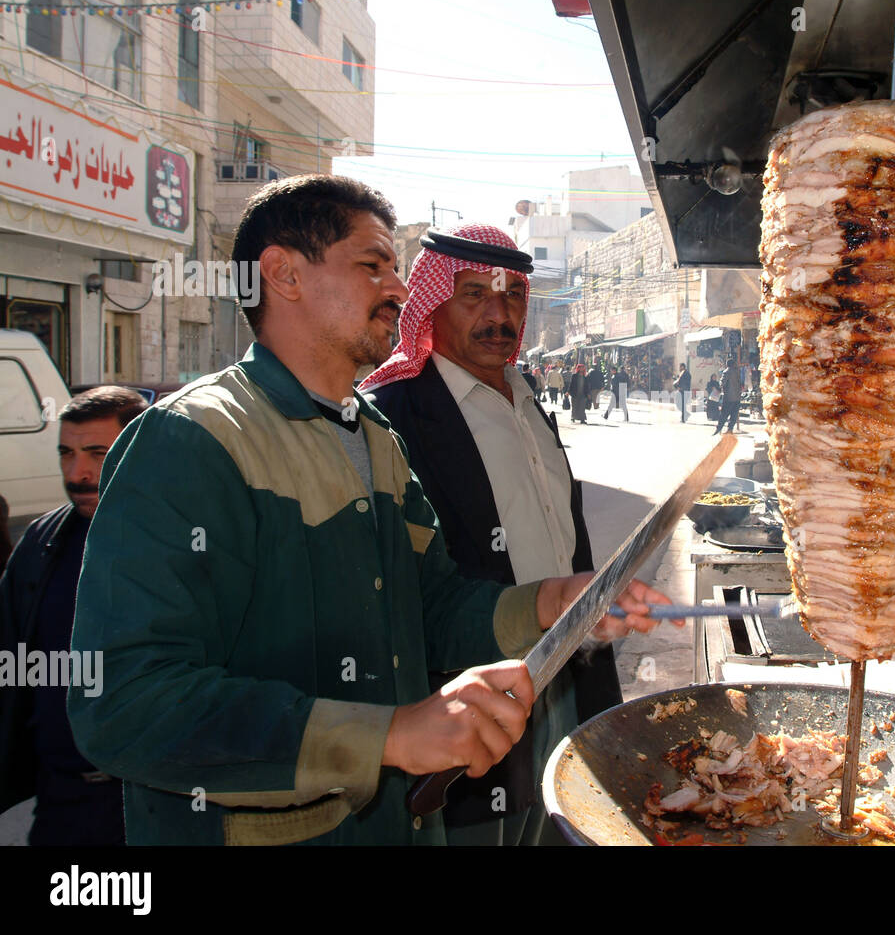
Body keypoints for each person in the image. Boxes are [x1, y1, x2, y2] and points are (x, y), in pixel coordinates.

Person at [63, 175, 666, 845]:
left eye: (399, 270)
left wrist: (555, 601)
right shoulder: (193, 440)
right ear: (284, 274)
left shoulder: (375, 440)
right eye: (373, 265)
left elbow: (431, 608)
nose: (401, 289)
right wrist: (389, 734)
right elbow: (123, 704)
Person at [362, 223, 634, 845]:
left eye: (512, 296)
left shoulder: (527, 394)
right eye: (475, 294)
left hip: (563, 667)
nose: (498, 313)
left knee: (563, 816)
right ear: (433, 303)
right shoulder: (393, 411)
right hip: (471, 689)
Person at [0, 385, 147, 845]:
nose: (77, 473)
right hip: (61, 799)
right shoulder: (43, 543)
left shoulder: (184, 541)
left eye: (96, 454)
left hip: (149, 798)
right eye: (66, 453)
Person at [714, 356, 744, 435]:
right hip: (737, 397)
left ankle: (719, 428)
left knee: (724, 414)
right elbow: (740, 384)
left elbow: (722, 383)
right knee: (734, 415)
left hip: (728, 397)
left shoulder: (726, 372)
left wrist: (720, 387)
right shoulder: (737, 372)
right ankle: (730, 429)